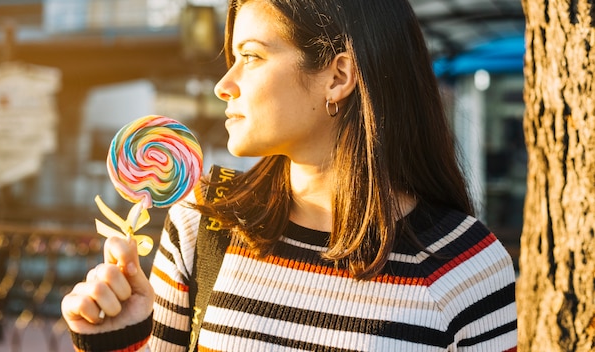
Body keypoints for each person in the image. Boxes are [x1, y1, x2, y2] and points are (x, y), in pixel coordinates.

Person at [61, 0, 518, 350]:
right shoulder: (203, 222)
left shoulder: (467, 268)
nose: (225, 83)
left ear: (338, 76)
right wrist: (120, 337)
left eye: (252, 56)